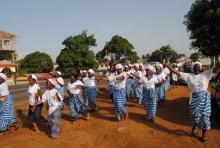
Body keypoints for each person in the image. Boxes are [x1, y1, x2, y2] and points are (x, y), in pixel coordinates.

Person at [164, 61, 220, 142]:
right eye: (195, 66)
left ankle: (204, 135)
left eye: (198, 66)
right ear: (193, 68)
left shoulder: (205, 74)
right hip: (194, 98)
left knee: (205, 116)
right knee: (195, 116)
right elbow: (176, 72)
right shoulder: (188, 76)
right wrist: (167, 66)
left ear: (200, 68)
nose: (196, 68)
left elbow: (215, 68)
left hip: (205, 99)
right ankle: (195, 126)